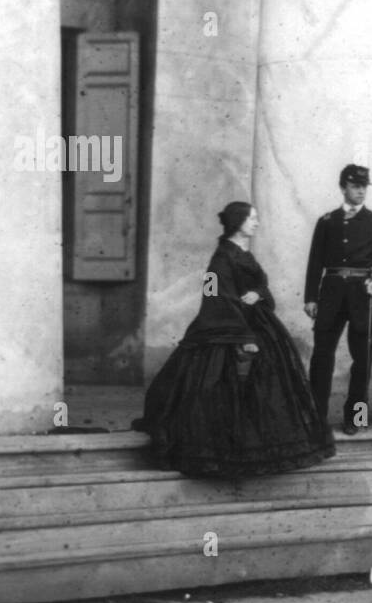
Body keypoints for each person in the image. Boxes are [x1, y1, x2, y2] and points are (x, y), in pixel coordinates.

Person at [135, 202, 335, 477]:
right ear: (238, 221)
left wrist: (259, 293)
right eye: (252, 218)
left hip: (259, 324)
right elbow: (216, 297)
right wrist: (244, 336)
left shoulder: (244, 253)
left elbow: (262, 284)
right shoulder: (221, 258)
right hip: (232, 329)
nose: (256, 222)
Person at [305, 164, 372, 435]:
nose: (360, 191)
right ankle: (316, 420)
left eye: (364, 187)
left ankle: (356, 419)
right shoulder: (326, 221)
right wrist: (310, 297)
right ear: (343, 187)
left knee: (363, 361)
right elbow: (315, 262)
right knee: (322, 358)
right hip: (330, 296)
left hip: (362, 298)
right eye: (355, 186)